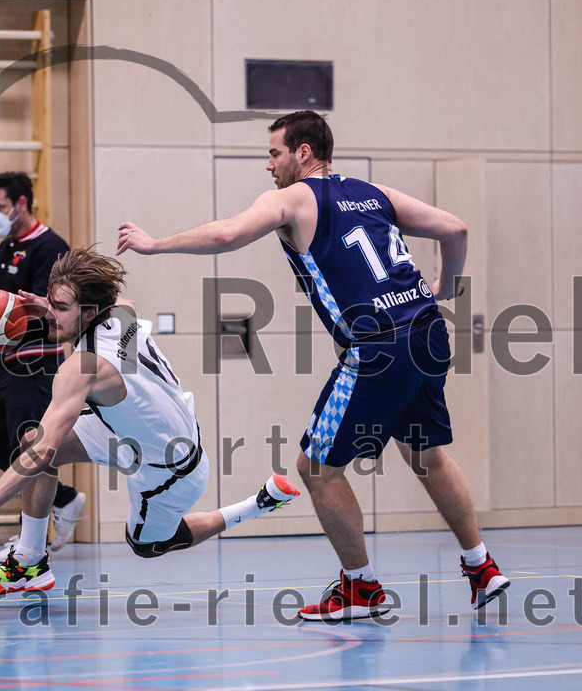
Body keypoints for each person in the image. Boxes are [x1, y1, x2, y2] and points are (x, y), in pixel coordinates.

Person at [116, 110, 510, 620]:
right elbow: (455, 228)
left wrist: (154, 244)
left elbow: (226, 236)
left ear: (303, 153)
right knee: (426, 455)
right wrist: (449, 285)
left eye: (274, 153)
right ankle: (481, 565)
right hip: (427, 332)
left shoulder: (295, 198)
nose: (269, 165)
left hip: (378, 346)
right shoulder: (374, 192)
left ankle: (361, 589)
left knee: (316, 468)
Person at [0, 247, 299, 595]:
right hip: (128, 428)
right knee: (32, 439)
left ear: (89, 313)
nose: (48, 314)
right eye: (51, 302)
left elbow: (45, 451)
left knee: (147, 545)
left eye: (60, 307)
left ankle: (258, 503)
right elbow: (125, 301)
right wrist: (47, 303)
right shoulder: (119, 316)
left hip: (169, 468)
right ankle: (29, 563)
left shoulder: (83, 367)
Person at [0, 172, 86, 562]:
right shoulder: (3, 250)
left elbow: (51, 313)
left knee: (28, 445)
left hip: (36, 363)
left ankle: (31, 541)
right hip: (4, 361)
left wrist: (3, 313)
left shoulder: (51, 248)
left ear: (21, 204)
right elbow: (4, 308)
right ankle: (64, 498)